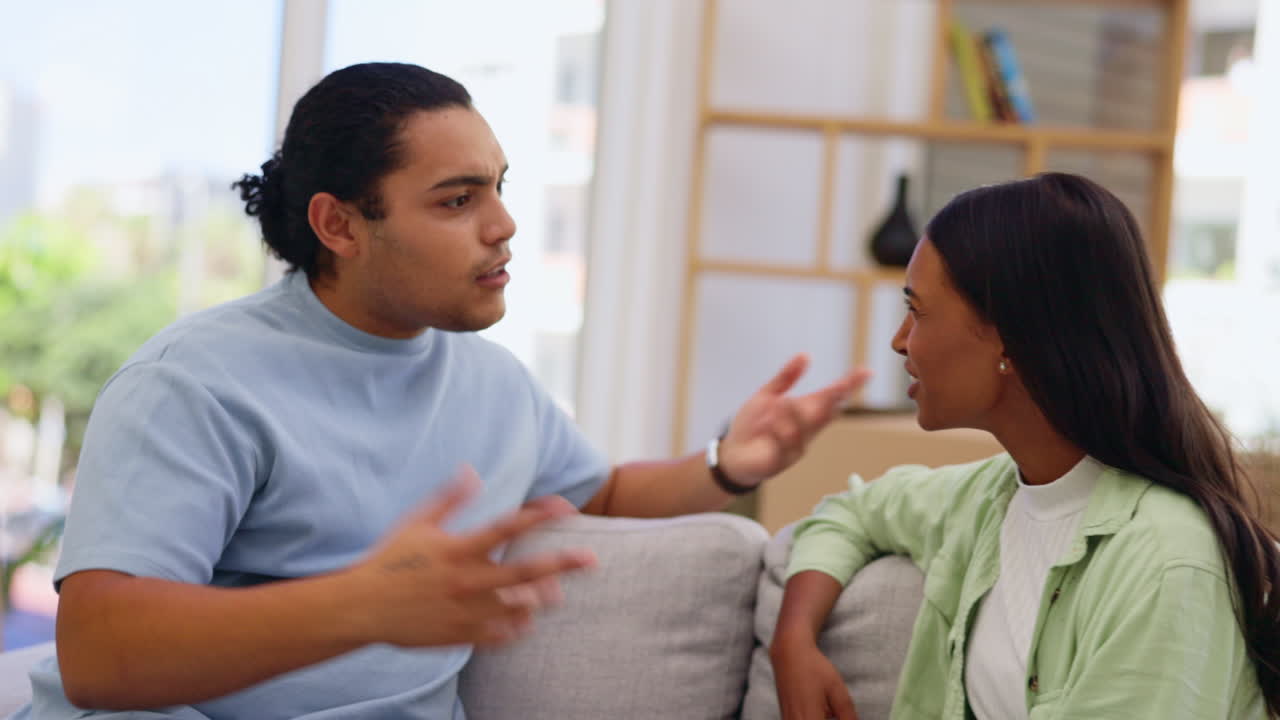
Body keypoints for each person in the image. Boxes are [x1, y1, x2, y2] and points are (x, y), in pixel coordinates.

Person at [13, 62, 865, 719]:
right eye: (457, 200)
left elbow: (600, 491)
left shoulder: (491, 382)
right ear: (339, 225)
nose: (503, 224)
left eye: (498, 186)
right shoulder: (195, 384)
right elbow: (97, 648)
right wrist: (363, 605)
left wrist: (726, 462)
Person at [770, 173, 1280, 719]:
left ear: (1009, 335)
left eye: (917, 311)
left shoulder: (1165, 562)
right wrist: (793, 642)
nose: (900, 340)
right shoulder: (992, 499)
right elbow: (849, 513)